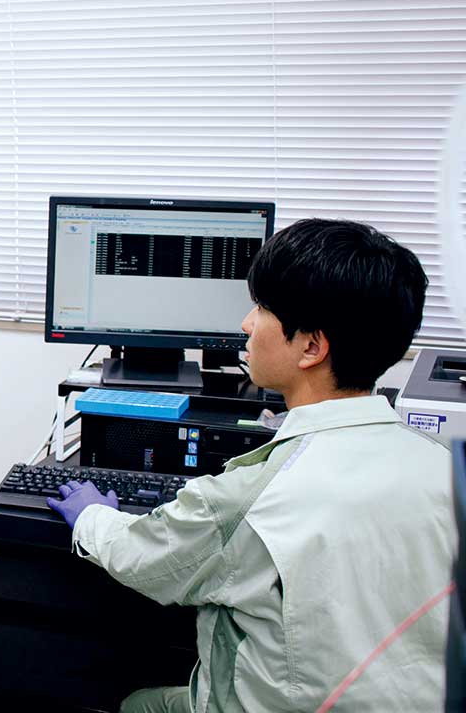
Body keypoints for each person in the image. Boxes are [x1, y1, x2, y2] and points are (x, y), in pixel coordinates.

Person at [48, 219, 453, 713]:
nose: (245, 323)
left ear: (311, 347)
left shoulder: (252, 496)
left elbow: (141, 555)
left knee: (135, 703)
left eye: (261, 308)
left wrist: (91, 515)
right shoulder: (445, 469)